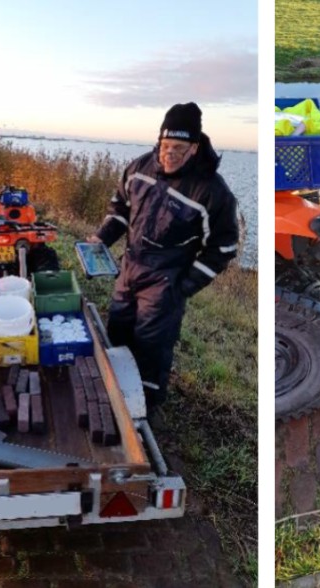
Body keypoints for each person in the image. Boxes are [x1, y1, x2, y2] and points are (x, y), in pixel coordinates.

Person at [90, 102, 239, 415]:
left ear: (194, 148)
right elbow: (120, 209)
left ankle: (145, 413)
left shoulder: (213, 192)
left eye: (179, 148)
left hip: (167, 281)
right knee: (117, 328)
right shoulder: (138, 169)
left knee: (151, 347)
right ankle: (113, 393)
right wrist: (102, 237)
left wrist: (183, 286)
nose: (169, 154)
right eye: (165, 145)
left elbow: (224, 247)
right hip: (129, 268)